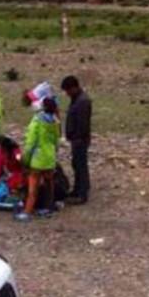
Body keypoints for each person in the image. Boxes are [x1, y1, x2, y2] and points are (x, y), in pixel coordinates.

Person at [16, 97, 60, 222]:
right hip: (49, 158)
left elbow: (30, 143)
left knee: (33, 188)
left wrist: (25, 159)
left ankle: (27, 211)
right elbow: (56, 141)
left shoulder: (37, 121)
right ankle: (48, 208)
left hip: (37, 159)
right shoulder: (56, 122)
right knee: (49, 185)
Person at [61, 75, 92, 204]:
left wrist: (77, 137)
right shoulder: (76, 99)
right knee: (76, 164)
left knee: (80, 165)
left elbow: (83, 123)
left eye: (68, 90)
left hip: (80, 139)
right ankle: (78, 189)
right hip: (76, 139)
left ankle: (82, 194)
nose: (67, 94)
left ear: (74, 87)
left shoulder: (83, 101)